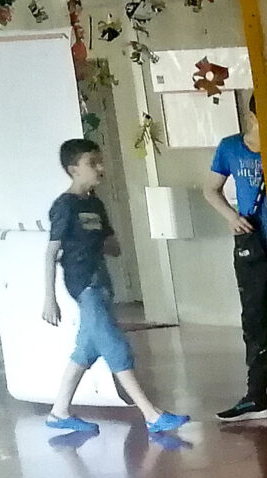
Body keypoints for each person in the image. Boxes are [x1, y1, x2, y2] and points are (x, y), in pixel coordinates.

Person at [40, 139, 187, 435]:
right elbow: (51, 252)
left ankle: (59, 412)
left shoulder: (95, 204)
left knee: (86, 349)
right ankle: (151, 413)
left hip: (101, 280)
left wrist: (101, 243)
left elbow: (113, 245)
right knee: (115, 347)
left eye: (100, 161)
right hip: (83, 283)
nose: (100, 168)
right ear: (73, 169)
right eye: (91, 163)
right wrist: (49, 298)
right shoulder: (65, 206)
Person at [207, 92, 267, 422]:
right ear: (251, 118)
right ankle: (255, 397)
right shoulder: (231, 147)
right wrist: (232, 217)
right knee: (255, 321)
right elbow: (210, 189)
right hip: (252, 245)